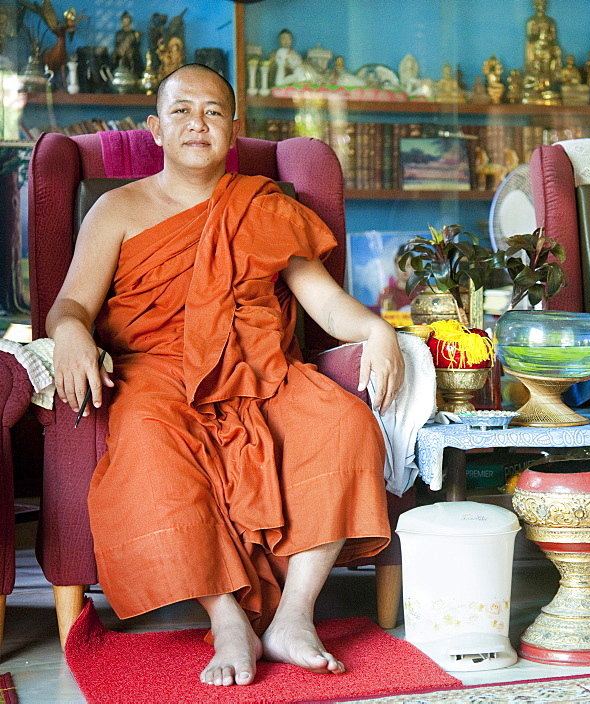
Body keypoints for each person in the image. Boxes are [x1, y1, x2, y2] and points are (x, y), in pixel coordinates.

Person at [47, 64, 404, 687]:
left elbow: (322, 303)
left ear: (233, 130)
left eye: (213, 112)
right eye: (182, 111)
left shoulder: (261, 205)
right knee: (151, 446)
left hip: (259, 369)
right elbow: (71, 304)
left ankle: (294, 615)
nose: (197, 124)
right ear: (155, 129)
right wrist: (73, 333)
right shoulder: (117, 209)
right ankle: (227, 615)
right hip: (156, 373)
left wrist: (379, 330)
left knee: (344, 423)